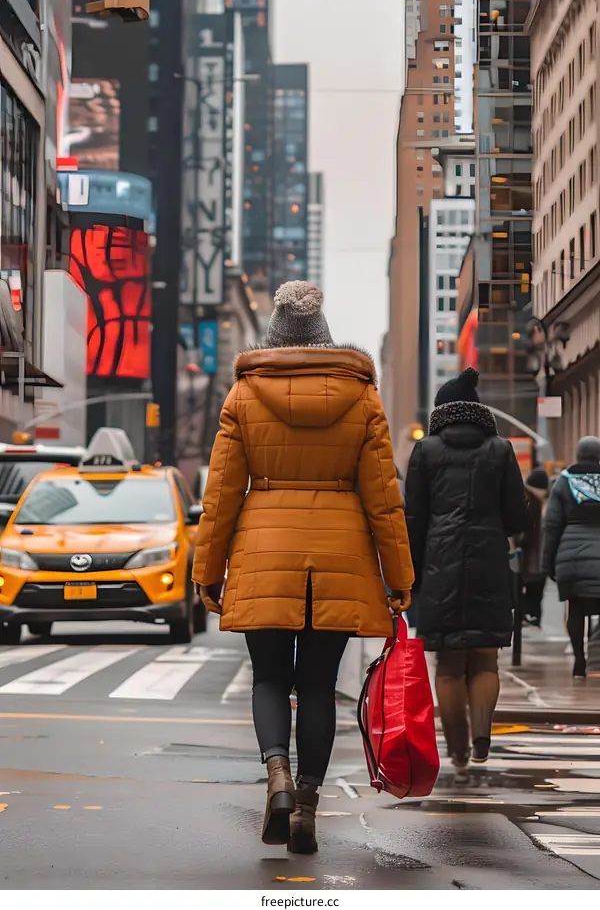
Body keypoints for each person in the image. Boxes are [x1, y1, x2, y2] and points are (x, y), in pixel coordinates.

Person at [193, 281, 414, 854]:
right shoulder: (362, 397)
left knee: (269, 679)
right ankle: (309, 806)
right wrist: (400, 577)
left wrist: (206, 571)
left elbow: (220, 495)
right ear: (324, 334)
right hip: (341, 554)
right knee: (318, 686)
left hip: (263, 552)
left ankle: (278, 779)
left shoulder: (243, 396)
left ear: (274, 333)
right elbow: (384, 499)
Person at [404, 367, 528, 776]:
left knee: (450, 664)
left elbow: (415, 519)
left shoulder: (426, 452)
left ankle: (456, 746)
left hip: (440, 562)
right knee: (486, 658)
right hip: (490, 561)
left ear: (443, 411)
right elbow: (516, 516)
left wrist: (412, 577)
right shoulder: (500, 449)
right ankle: (481, 738)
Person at [542, 435, 600, 679]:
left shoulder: (563, 482)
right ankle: (597, 659)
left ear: (577, 454)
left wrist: (548, 563)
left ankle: (579, 660)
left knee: (575, 609)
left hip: (571, 557)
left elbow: (552, 525)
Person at [520, 468, 550, 627]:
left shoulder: (541, 501)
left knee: (534, 588)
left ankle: (530, 616)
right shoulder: (531, 500)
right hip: (531, 554)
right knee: (531, 588)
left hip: (536, 555)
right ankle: (528, 616)